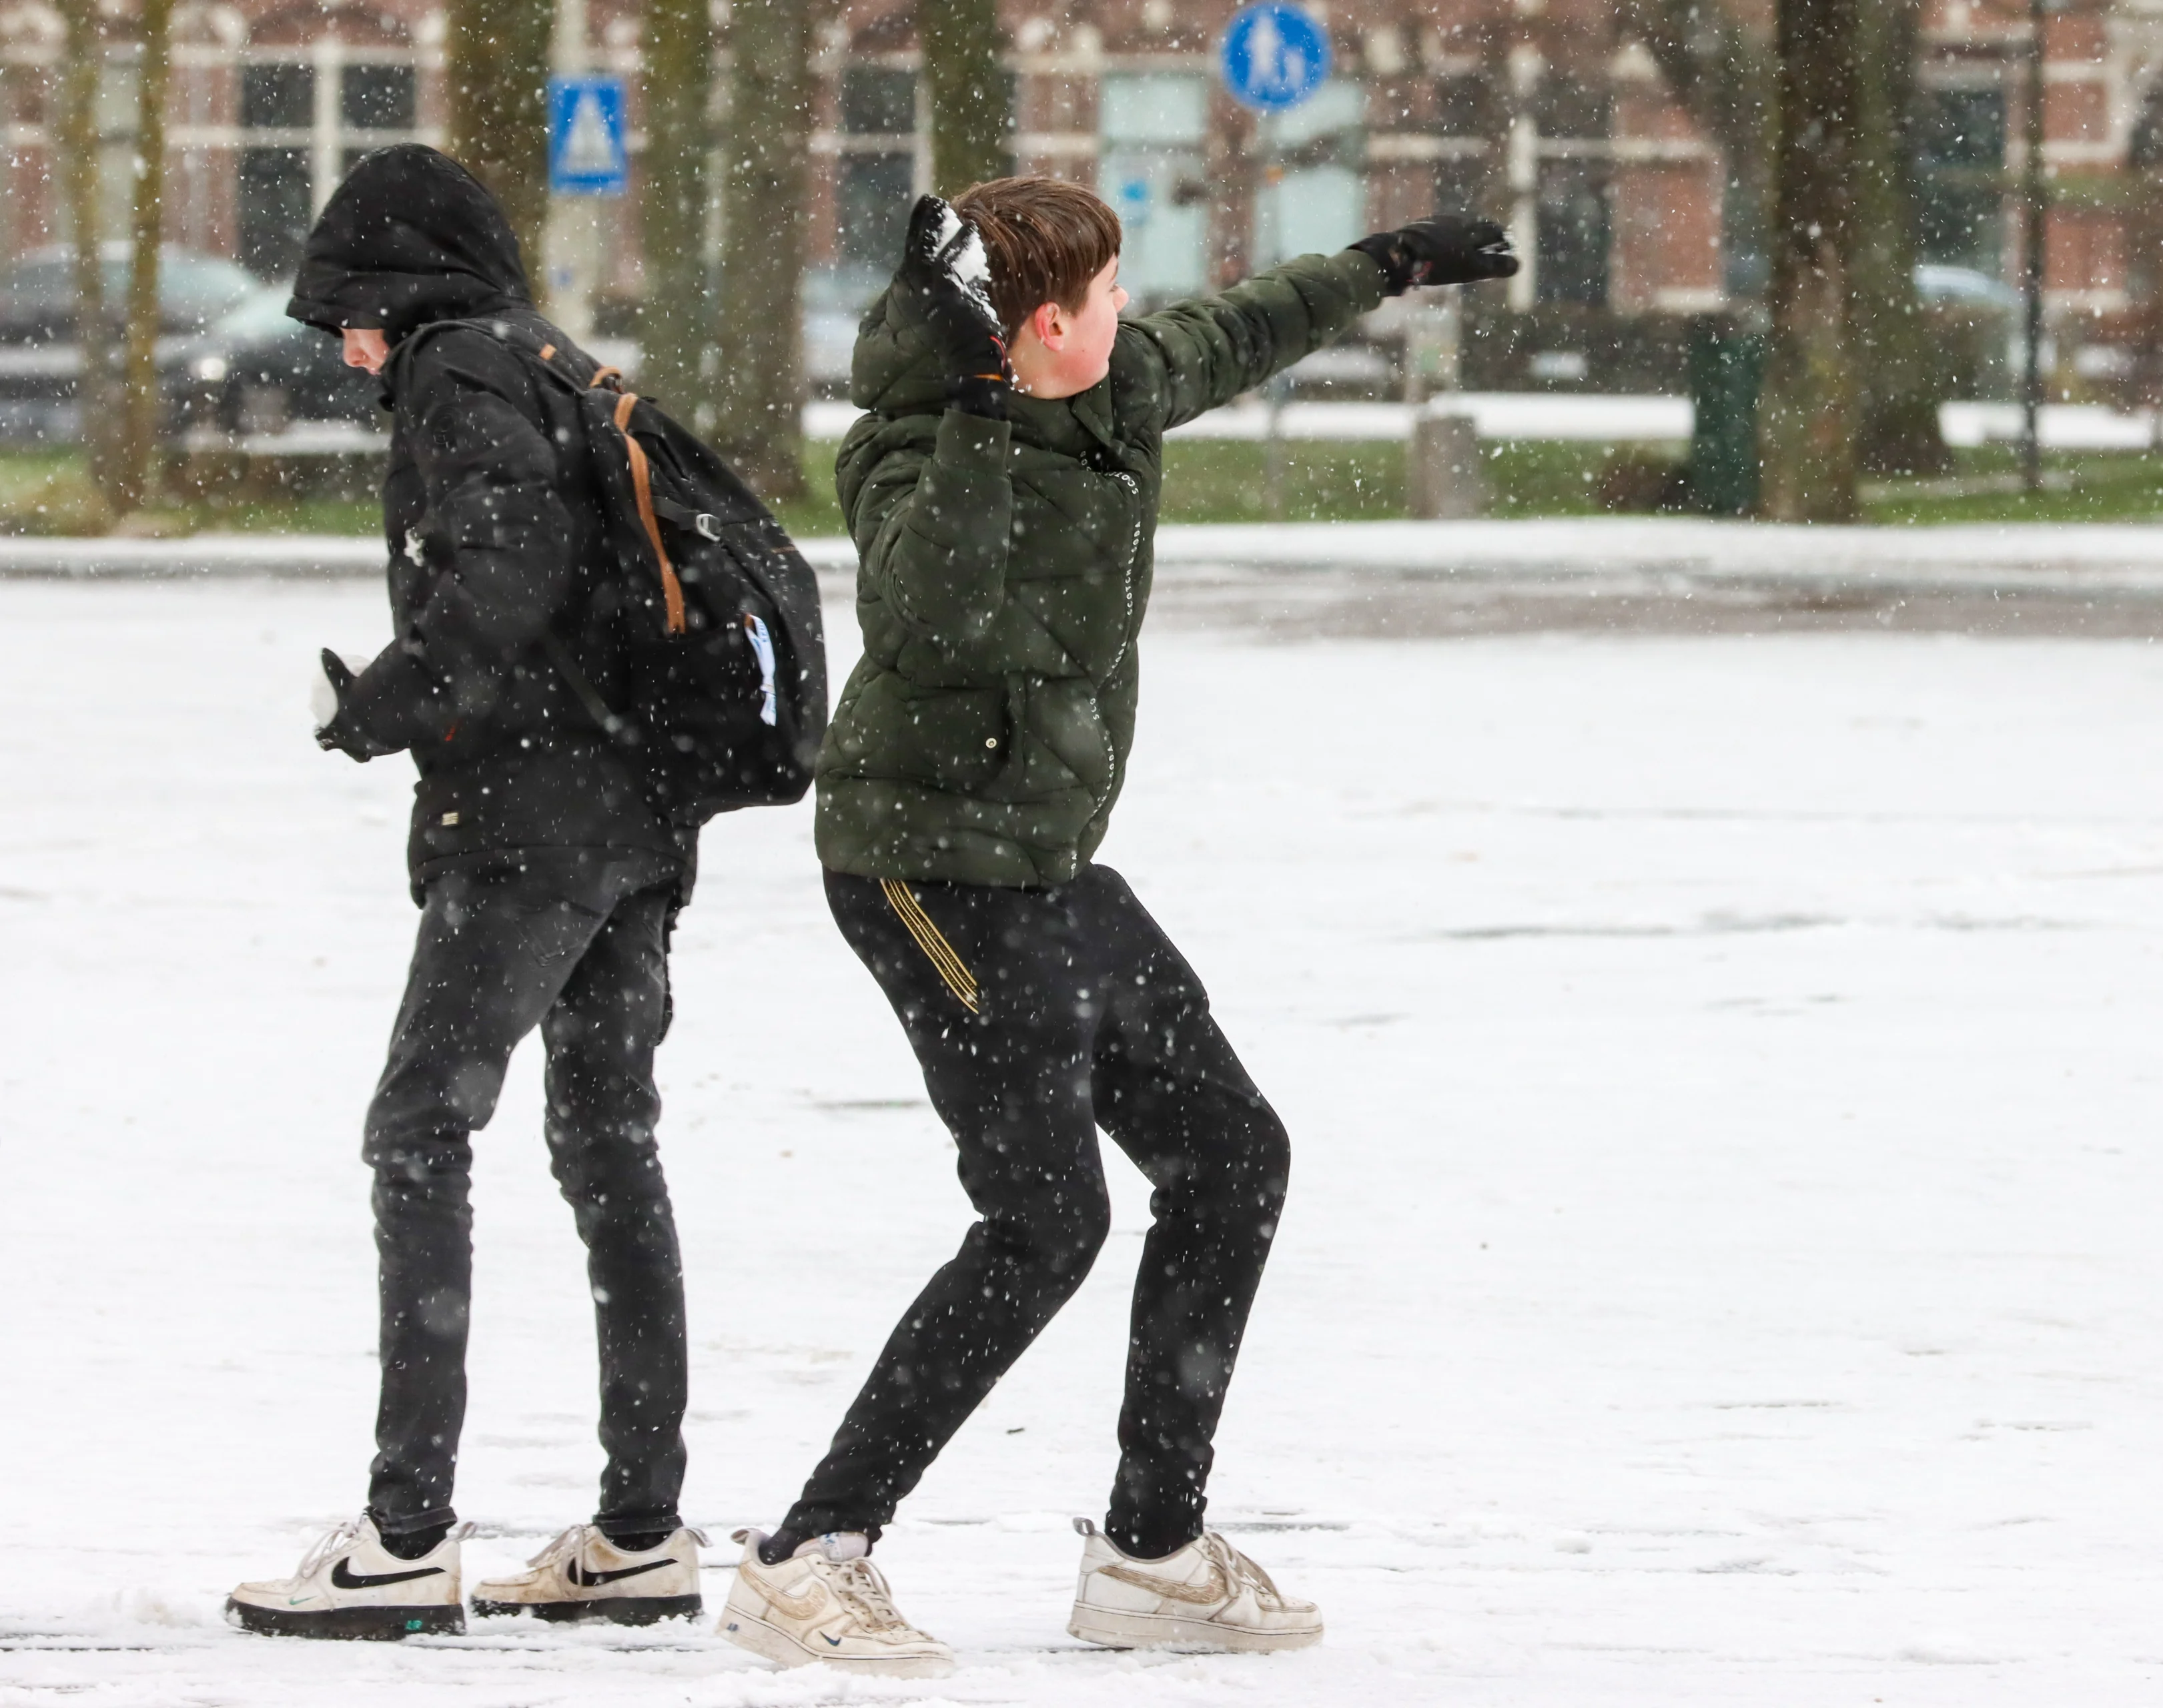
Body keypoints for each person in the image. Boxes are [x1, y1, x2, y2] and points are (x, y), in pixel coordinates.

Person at [715, 180, 1517, 1675]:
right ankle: (807, 1556)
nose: (1131, 309)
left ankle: (1151, 1550)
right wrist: (975, 415)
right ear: (1036, 329)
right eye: (1104, 293)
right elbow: (937, 616)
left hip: (1047, 859)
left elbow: (1236, 330)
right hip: (922, 866)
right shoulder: (906, 443)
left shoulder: (1117, 385)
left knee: (1232, 1155)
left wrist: (1384, 263)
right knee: (1046, 1220)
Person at [225, 145, 703, 1639]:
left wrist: (380, 702)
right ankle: (640, 1531)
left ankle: (404, 1533)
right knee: (610, 1146)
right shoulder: (557, 363)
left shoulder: (460, 369)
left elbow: (504, 571)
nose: (349, 351)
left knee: (420, 1129)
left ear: (401, 292)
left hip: (533, 824)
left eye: (352, 318)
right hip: (636, 813)